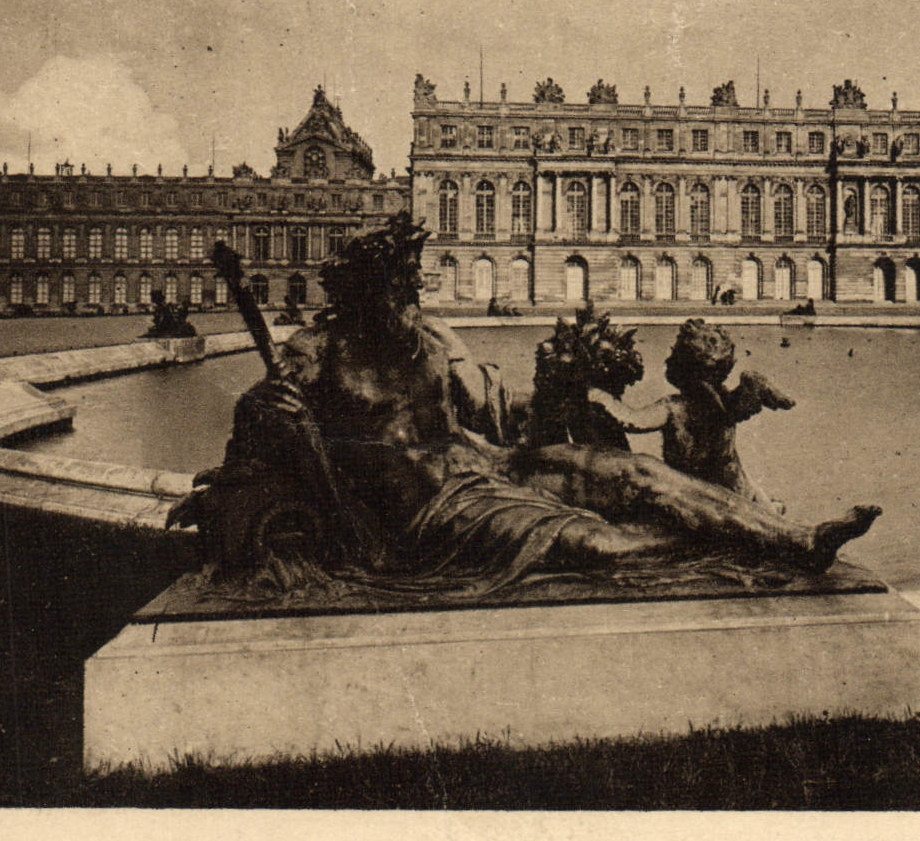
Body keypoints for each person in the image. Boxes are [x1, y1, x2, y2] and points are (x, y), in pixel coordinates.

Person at [182, 213, 878, 593]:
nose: (410, 296)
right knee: (592, 541)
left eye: (409, 284)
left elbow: (496, 412)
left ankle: (791, 541)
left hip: (487, 468)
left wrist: (563, 385)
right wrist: (266, 417)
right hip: (429, 513)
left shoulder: (430, 338)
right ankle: (722, 541)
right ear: (364, 291)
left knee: (632, 475)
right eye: (397, 285)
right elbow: (252, 438)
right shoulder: (315, 353)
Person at [586, 319, 794, 514]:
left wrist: (601, 397)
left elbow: (632, 421)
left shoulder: (673, 407)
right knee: (762, 507)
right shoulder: (728, 403)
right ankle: (770, 509)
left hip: (691, 492)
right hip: (736, 488)